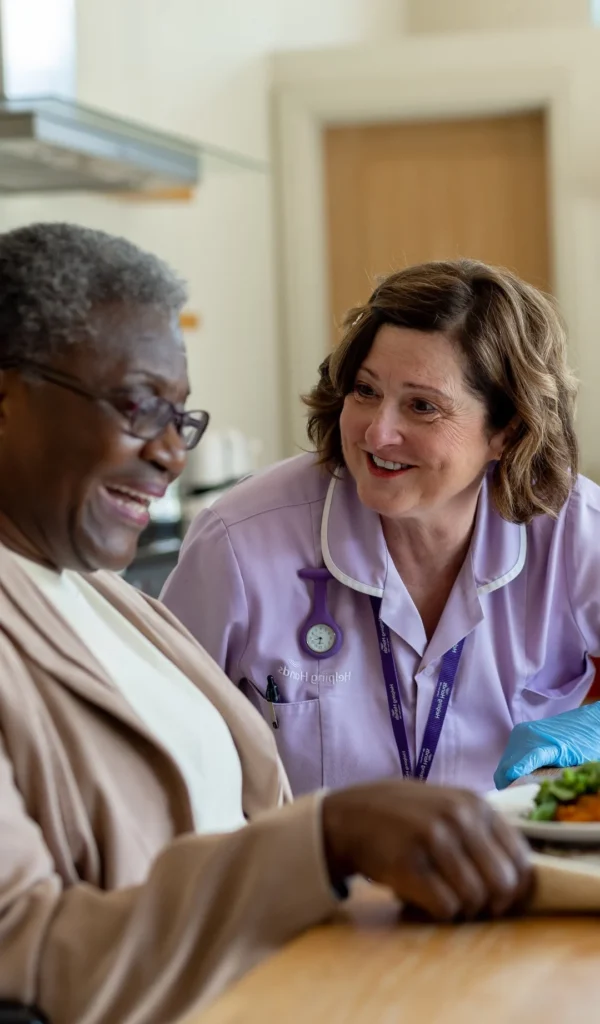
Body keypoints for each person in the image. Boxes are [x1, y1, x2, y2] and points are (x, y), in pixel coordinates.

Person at [0, 224, 531, 1024]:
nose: (172, 454)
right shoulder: (229, 545)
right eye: (139, 404)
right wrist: (324, 840)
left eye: (183, 417)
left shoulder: (109, 601)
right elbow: (30, 962)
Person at [162, 258, 600, 797]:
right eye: (366, 391)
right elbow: (156, 748)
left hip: (519, 867)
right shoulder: (238, 541)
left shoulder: (573, 531)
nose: (377, 431)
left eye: (422, 406)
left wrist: (591, 732)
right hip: (312, 876)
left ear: (506, 432)